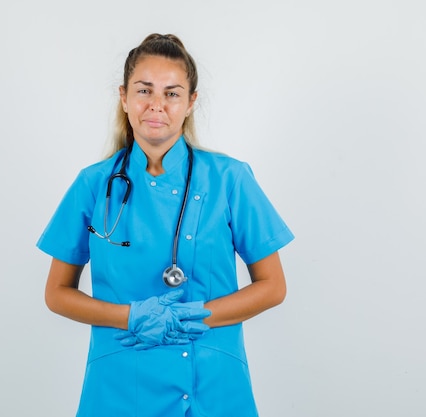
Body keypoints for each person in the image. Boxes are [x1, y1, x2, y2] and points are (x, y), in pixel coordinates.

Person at [37, 33, 294, 417]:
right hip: (120, 383)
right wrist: (130, 317)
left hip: (211, 382)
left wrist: (190, 316)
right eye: (144, 90)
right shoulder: (93, 184)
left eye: (172, 93)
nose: (156, 105)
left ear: (191, 103)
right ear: (124, 97)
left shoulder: (229, 179)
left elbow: (273, 286)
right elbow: (57, 293)